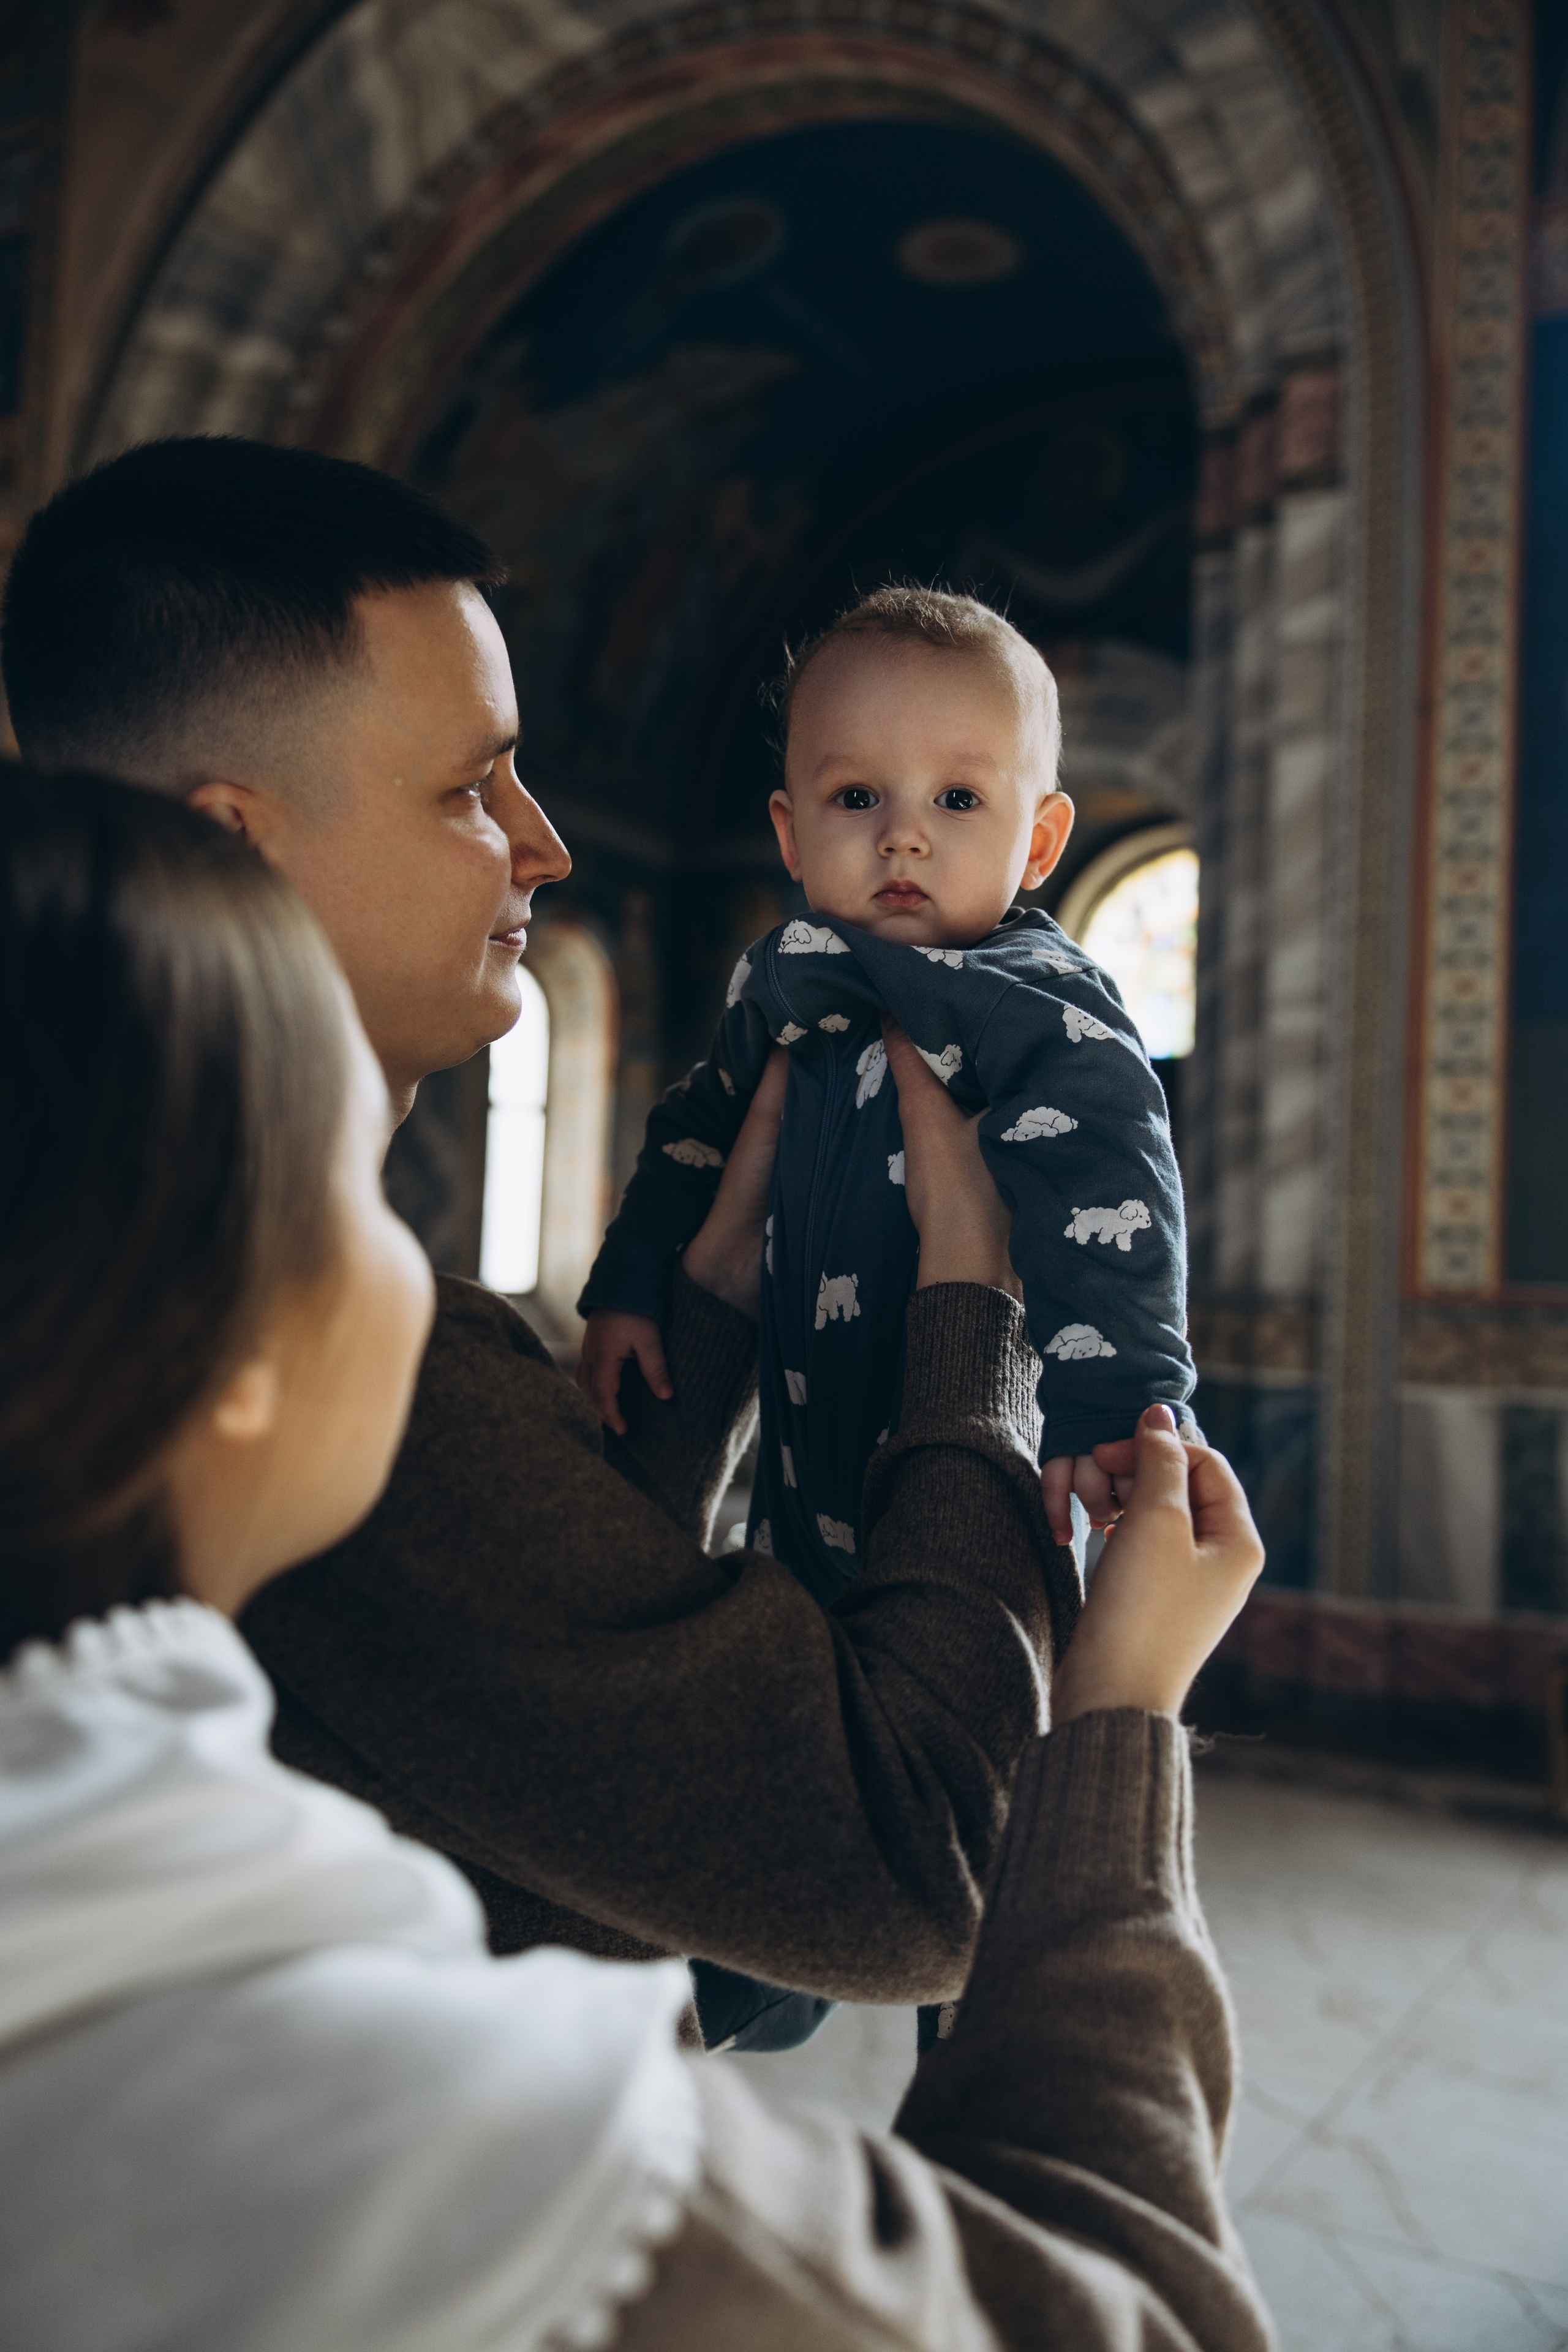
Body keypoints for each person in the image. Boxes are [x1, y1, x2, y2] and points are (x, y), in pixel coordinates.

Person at [0, 771, 1275, 2352]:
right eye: (362, 1199)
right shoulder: (403, 2122)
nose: (545, 836)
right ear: (225, 1346)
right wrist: (1119, 1717)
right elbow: (1128, 2317)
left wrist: (708, 1342)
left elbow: (556, 1730)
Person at [1, 438, 1079, 2052]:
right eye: (468, 787)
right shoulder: (281, 1348)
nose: (544, 842)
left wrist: (704, 1310)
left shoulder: (82, 1247)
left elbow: (522, 1681)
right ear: (234, 842)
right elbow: (924, 1867)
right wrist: (971, 1311)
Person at [579, 586, 1199, 1605]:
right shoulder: (780, 977)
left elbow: (1114, 1189)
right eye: (857, 797)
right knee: (795, 1688)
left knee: (965, 1697)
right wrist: (633, 1284)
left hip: (981, 1469)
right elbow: (695, 1137)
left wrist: (1121, 1403)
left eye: (957, 800)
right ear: (790, 834)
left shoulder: (1041, 1003)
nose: (902, 836)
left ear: (1038, 844)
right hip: (791, 1487)